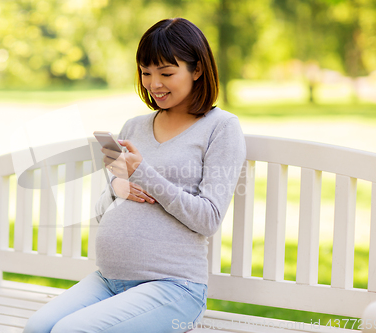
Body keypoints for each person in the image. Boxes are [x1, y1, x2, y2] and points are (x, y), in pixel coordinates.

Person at [24, 17, 246, 333]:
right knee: (37, 328)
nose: (154, 84)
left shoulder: (221, 128)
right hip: (109, 280)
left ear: (197, 70)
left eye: (166, 73)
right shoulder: (133, 127)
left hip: (175, 288)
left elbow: (208, 218)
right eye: (146, 73)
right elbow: (104, 207)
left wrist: (142, 173)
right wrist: (118, 187)